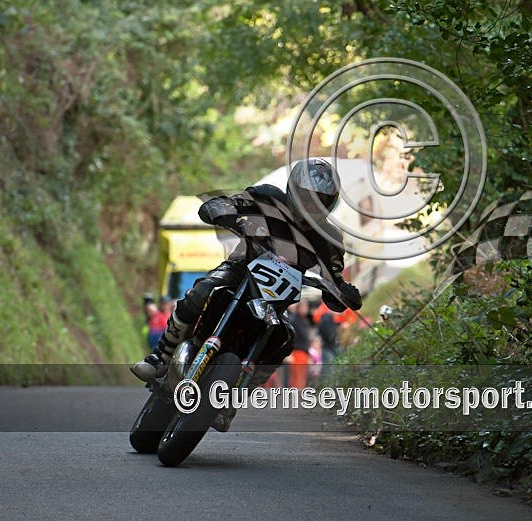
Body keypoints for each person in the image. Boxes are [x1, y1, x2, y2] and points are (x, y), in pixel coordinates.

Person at [131, 158, 362, 384]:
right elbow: (228, 203)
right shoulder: (267, 198)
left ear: (329, 204)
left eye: (319, 201)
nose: (311, 207)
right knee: (203, 291)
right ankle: (160, 357)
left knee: (285, 339)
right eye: (306, 198)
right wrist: (222, 209)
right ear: (293, 191)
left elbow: (335, 281)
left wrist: (342, 291)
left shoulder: (329, 239)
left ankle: (240, 392)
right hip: (240, 271)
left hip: (275, 299)